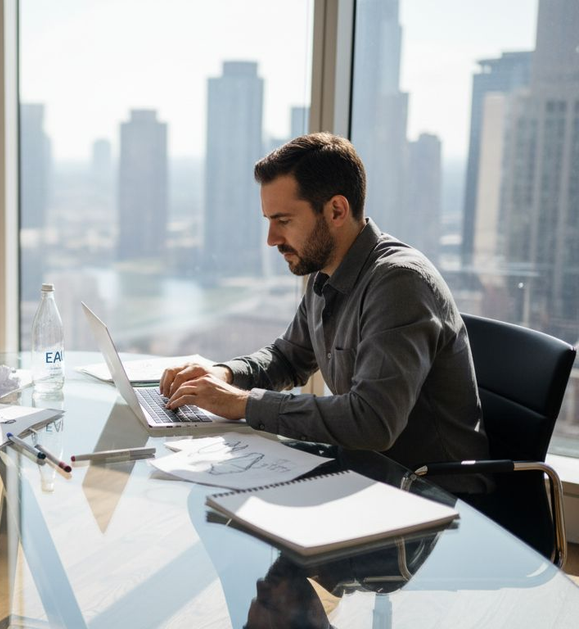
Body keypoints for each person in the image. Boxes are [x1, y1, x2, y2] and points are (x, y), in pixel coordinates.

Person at [160, 133, 489, 488]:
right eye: (269, 220)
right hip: (366, 475)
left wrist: (242, 404)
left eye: (283, 221)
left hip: (433, 495)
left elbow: (372, 422)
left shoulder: (399, 283)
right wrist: (224, 374)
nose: (271, 239)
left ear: (336, 210)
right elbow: (287, 358)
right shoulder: (327, 270)